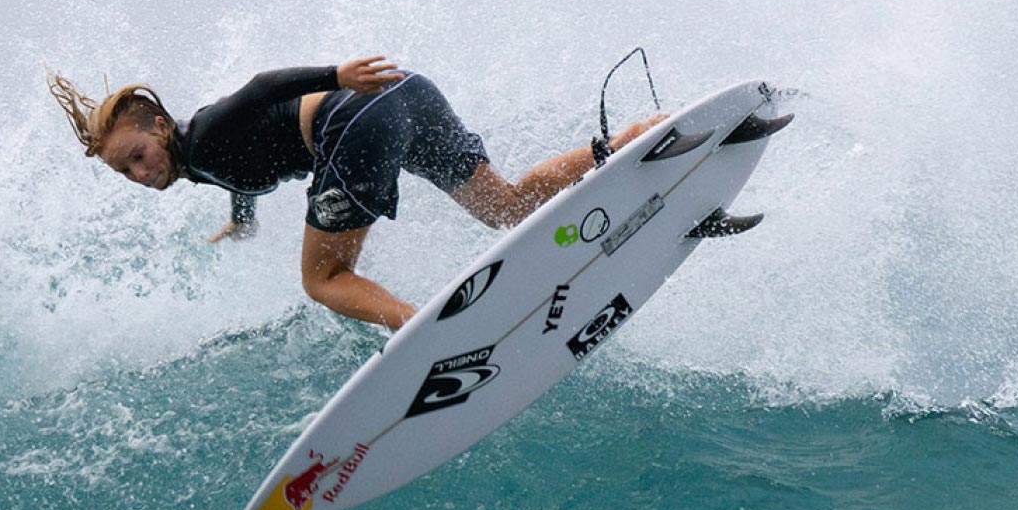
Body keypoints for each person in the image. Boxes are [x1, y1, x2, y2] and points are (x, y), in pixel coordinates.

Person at [47, 57, 662, 332]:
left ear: (158, 125)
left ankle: (428, 332)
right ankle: (630, 142)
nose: (139, 174)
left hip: (357, 116)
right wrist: (242, 219)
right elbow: (237, 174)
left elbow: (261, 89)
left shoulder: (205, 131)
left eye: (135, 157)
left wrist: (335, 76)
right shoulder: (197, 157)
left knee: (323, 279)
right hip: (405, 96)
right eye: (124, 174)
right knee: (504, 205)